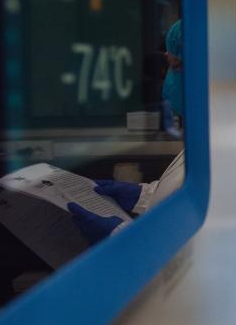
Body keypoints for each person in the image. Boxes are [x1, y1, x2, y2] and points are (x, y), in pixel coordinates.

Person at [68, 19, 186, 244]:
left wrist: (119, 234)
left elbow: (185, 241)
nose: (169, 78)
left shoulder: (222, 145)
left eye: (175, 66)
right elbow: (185, 192)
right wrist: (143, 196)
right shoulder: (208, 136)